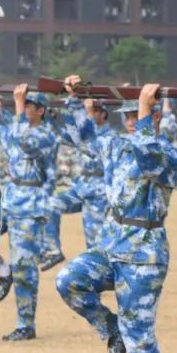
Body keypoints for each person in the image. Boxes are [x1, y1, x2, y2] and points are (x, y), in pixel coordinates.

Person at [56, 77, 177, 353]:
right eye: (126, 115)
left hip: (144, 254)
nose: (130, 120)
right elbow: (81, 136)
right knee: (68, 281)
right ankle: (110, 328)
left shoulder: (167, 154)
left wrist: (145, 112)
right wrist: (76, 100)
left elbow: (148, 158)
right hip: (111, 245)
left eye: (136, 115)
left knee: (139, 334)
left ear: (155, 117)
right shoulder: (116, 146)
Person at [0, 80, 58, 340]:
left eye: (29, 105)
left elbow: (23, 141)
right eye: (23, 104)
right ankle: (2, 270)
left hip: (31, 206)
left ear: (41, 110)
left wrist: (16, 107)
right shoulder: (15, 130)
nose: (24, 108)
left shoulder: (47, 136)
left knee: (24, 267)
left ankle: (25, 324)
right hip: (10, 200)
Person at [53, 97, 112, 249]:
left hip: (99, 192)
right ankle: (53, 251)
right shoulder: (83, 133)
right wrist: (52, 120)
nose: (87, 114)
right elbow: (65, 136)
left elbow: (92, 143)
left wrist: (88, 115)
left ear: (103, 114)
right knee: (51, 205)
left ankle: (101, 262)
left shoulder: (109, 135)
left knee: (94, 242)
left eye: (93, 111)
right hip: (81, 187)